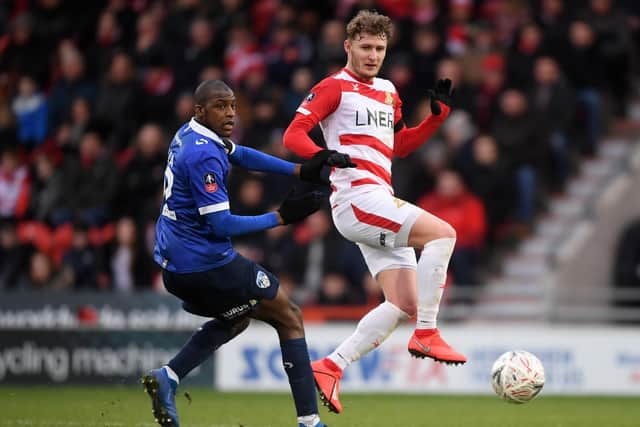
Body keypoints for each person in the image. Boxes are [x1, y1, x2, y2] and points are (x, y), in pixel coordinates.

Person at [282, 10, 466, 414]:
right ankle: (428, 333)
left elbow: (401, 146)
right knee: (443, 233)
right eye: (365, 47)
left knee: (403, 303)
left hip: (378, 197)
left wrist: (437, 119)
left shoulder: (388, 90)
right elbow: (293, 135)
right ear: (348, 46)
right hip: (356, 198)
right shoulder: (333, 88)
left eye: (379, 49)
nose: (372, 55)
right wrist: (324, 154)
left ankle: (331, 365)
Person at [142, 80, 343, 427]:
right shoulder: (203, 154)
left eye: (233, 105)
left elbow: (241, 154)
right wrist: (281, 217)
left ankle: (169, 377)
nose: (231, 112)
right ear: (200, 111)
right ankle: (310, 423)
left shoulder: (189, 135)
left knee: (236, 317)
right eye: (221, 106)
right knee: (289, 315)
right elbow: (220, 225)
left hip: (176, 266)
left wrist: (300, 169)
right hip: (205, 264)